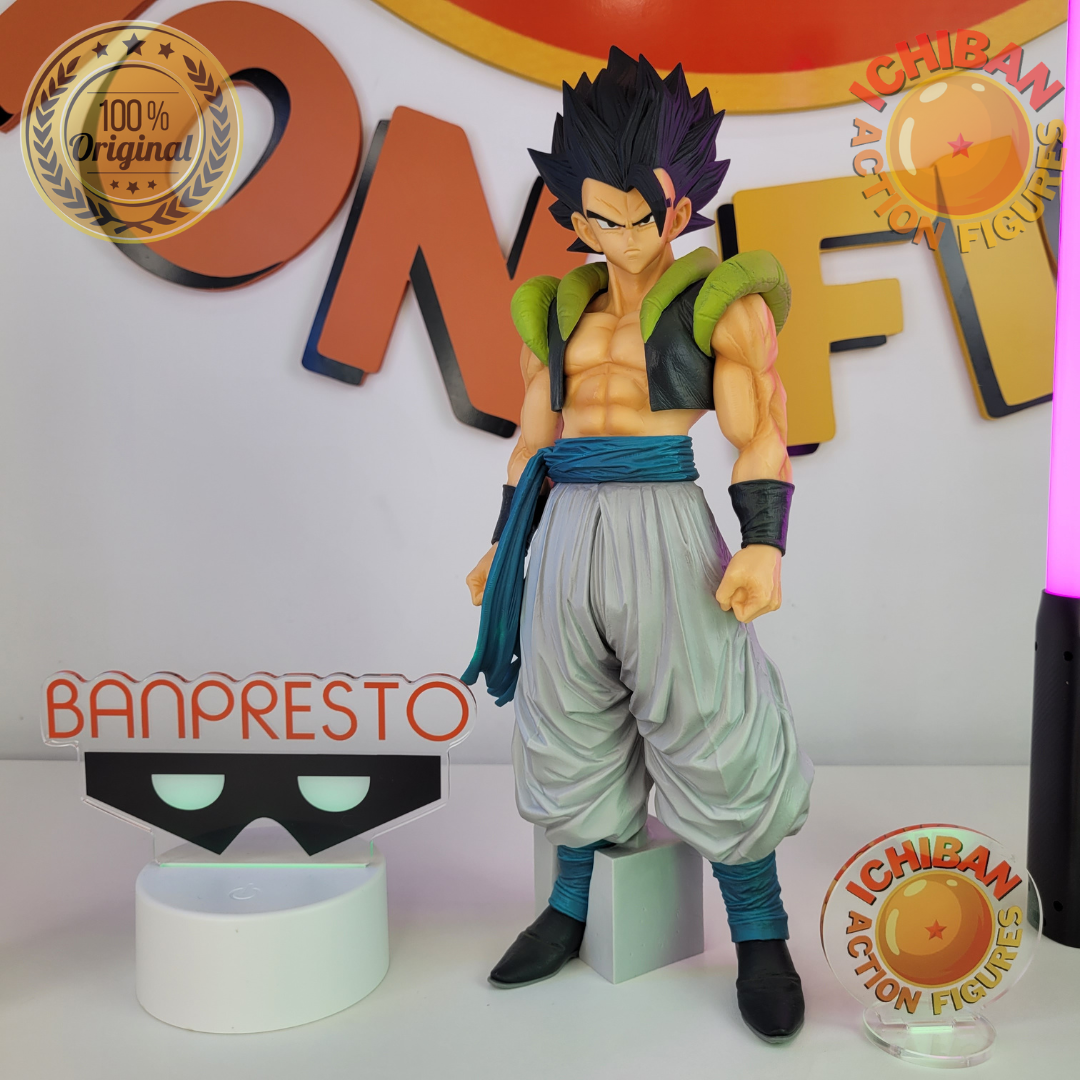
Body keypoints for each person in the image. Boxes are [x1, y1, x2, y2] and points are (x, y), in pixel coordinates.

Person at [463, 48, 813, 1043]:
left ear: (679, 204)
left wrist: (764, 545)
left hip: (665, 521)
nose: (620, 236)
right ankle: (569, 905)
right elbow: (531, 437)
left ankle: (760, 931)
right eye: (599, 218)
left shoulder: (721, 303)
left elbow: (762, 430)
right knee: (565, 716)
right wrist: (502, 544)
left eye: (639, 215)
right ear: (573, 214)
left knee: (711, 717)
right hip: (566, 524)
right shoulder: (559, 307)